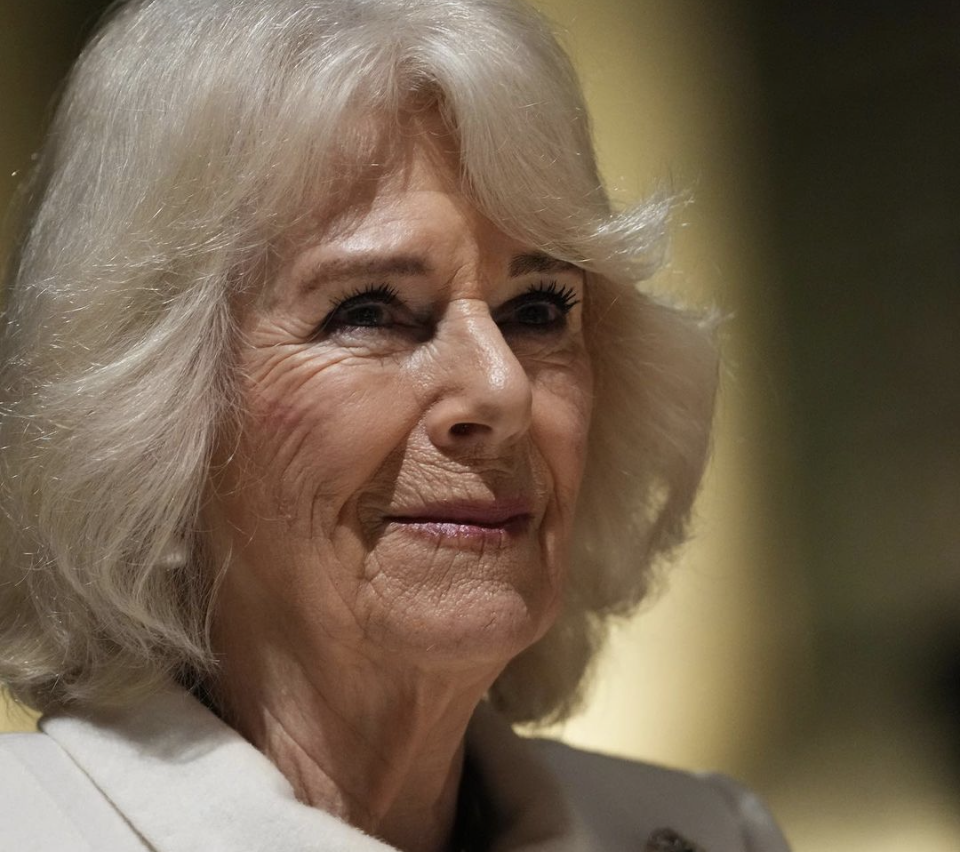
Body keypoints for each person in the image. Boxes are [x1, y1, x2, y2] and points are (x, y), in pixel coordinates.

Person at [0, 1, 790, 850]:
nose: (502, 390)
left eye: (536, 310)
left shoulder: (712, 833)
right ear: (148, 417)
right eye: (370, 312)